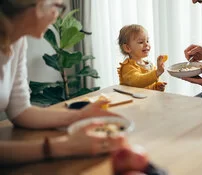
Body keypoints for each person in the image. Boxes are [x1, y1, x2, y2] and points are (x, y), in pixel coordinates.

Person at [0, 0, 127, 165]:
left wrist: (80, 115)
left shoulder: (17, 41)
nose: (57, 14)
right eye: (56, 5)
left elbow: (21, 111)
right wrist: (64, 147)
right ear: (34, 6)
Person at [117, 24, 167, 92]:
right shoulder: (127, 67)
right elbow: (138, 82)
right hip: (134, 102)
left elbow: (149, 86)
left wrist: (157, 86)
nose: (146, 44)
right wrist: (157, 72)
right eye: (141, 42)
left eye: (147, 41)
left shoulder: (150, 65)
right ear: (127, 48)